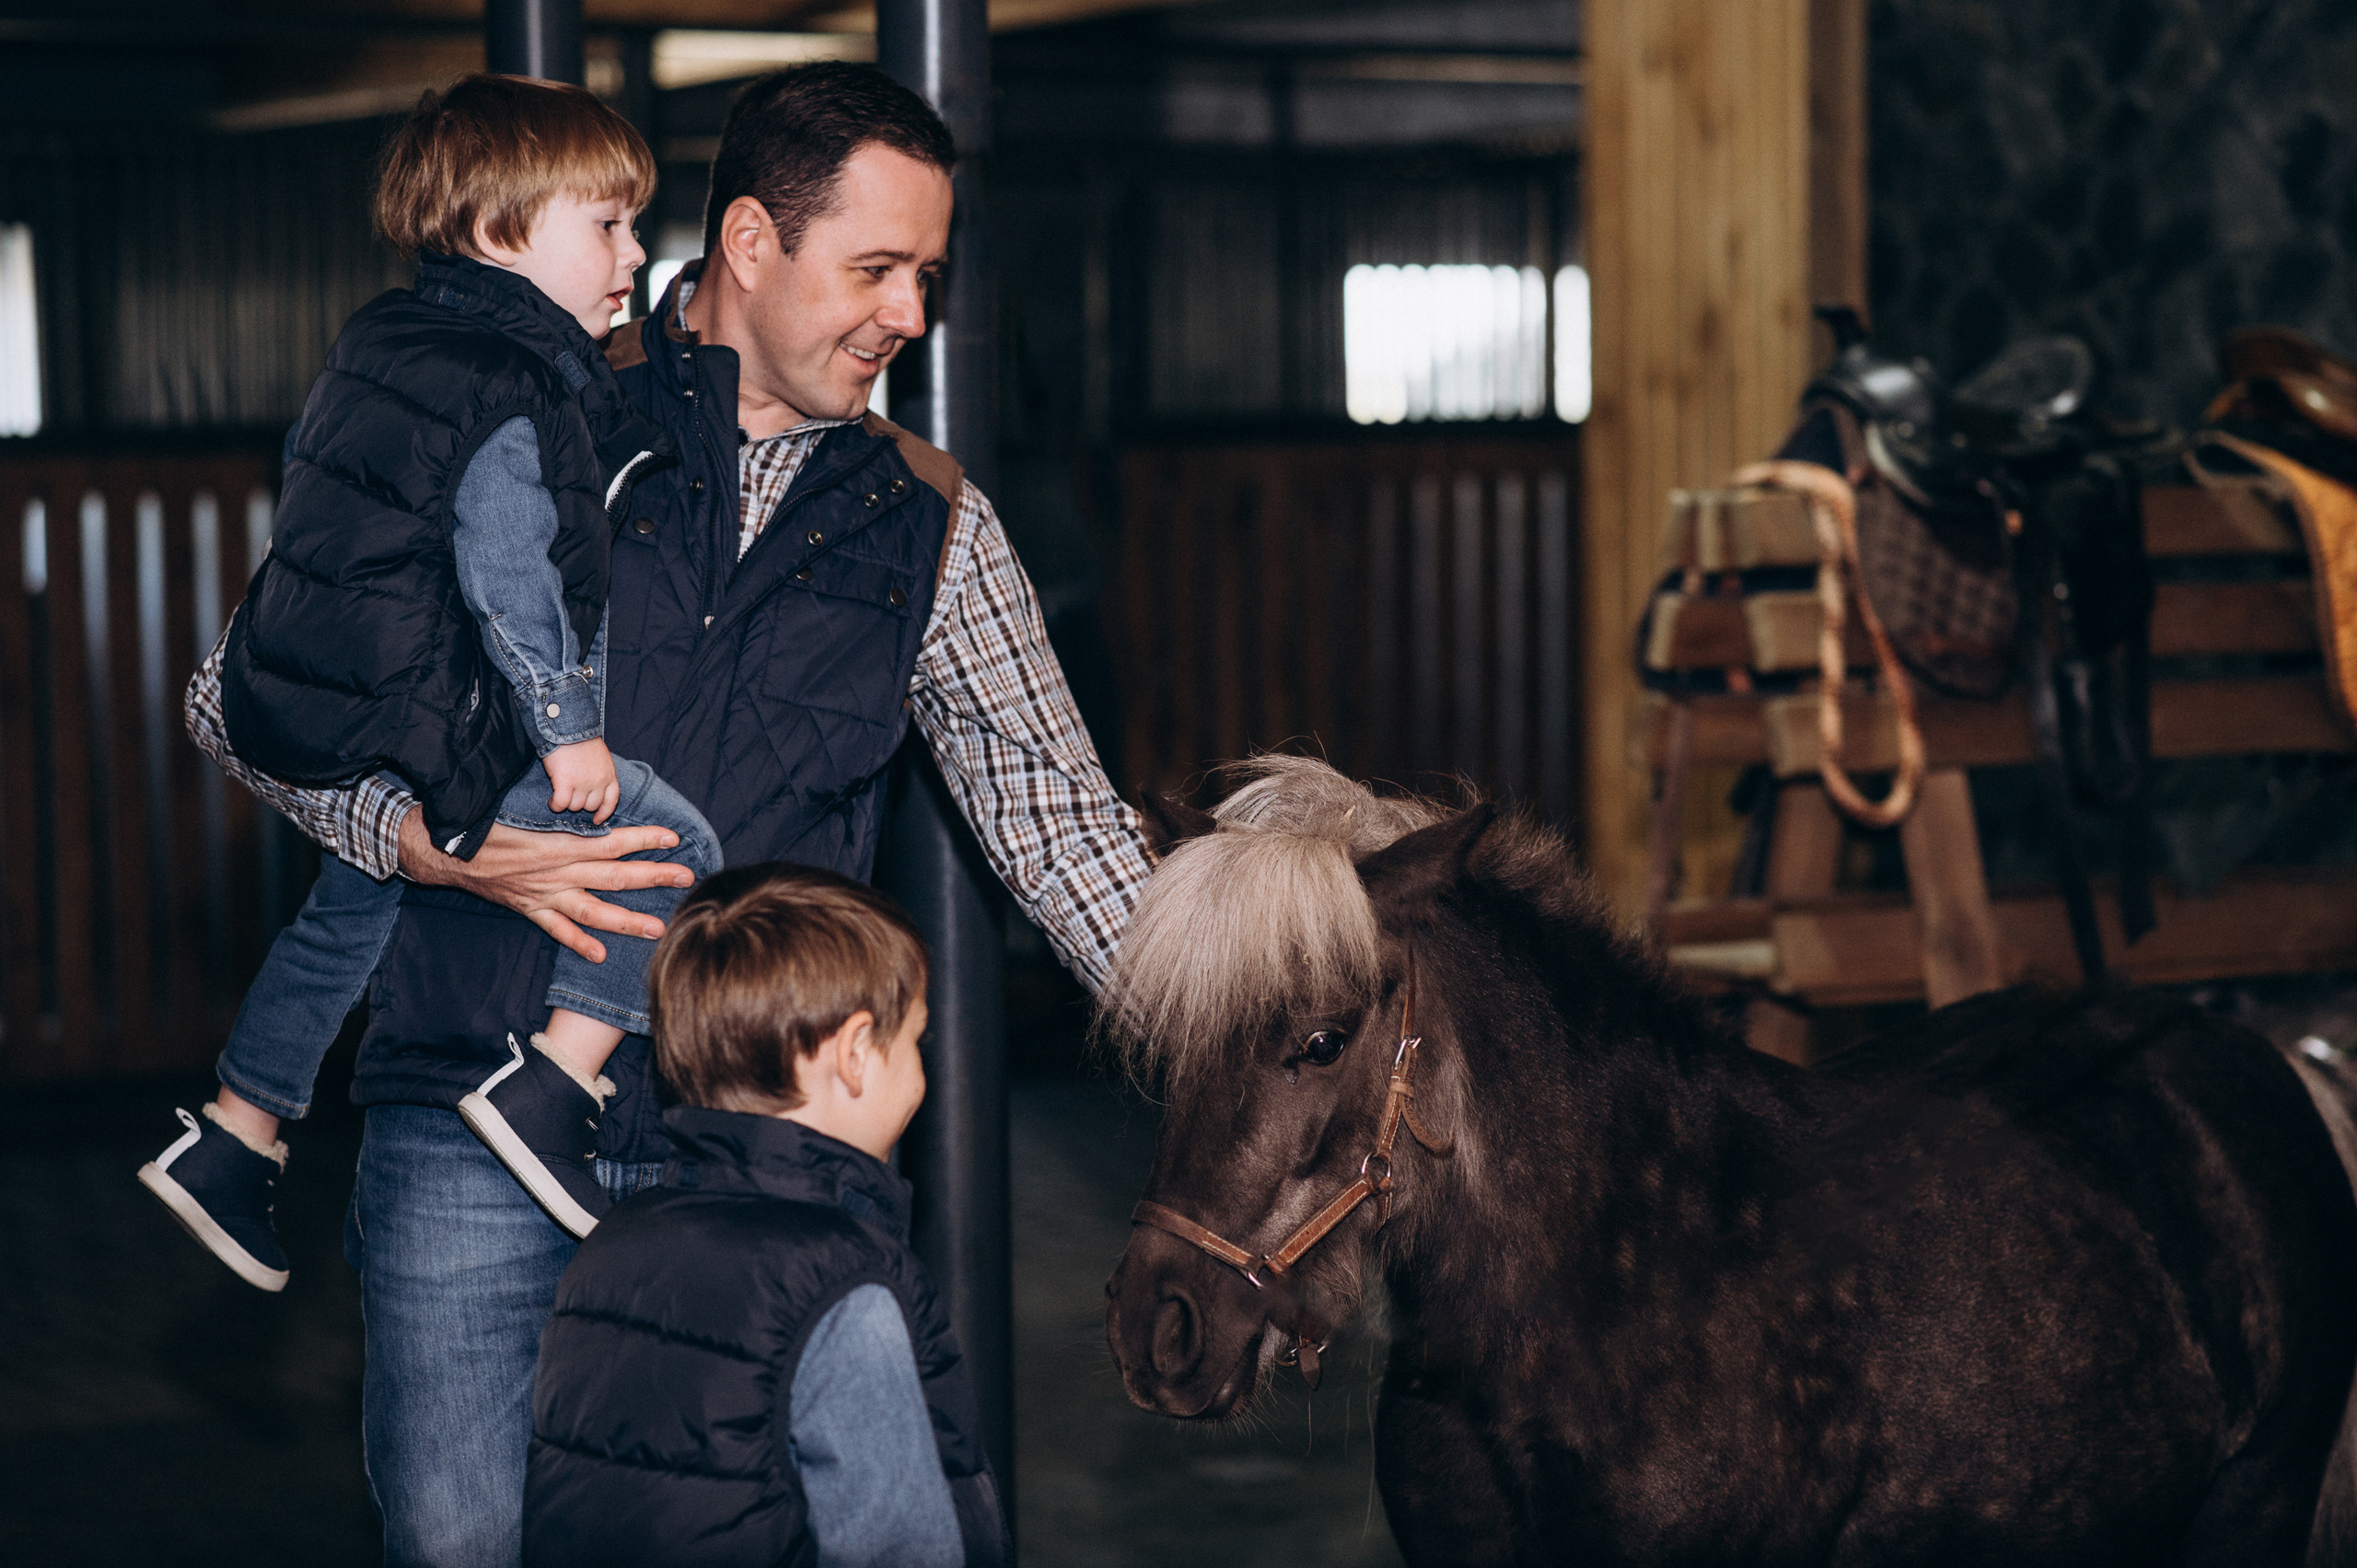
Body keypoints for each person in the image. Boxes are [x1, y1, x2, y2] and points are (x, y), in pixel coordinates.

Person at [184, 61, 1153, 1567]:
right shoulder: (523, 396)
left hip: (757, 1151)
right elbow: (240, 695)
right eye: (879, 270)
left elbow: (1064, 833)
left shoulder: (933, 521)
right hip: (466, 1110)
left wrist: (1280, 1021)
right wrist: (427, 842)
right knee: (462, 1536)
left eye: (931, 279)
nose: (914, 316)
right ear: (753, 245)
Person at [142, 74, 723, 1294]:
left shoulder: (382, 339)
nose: (631, 254)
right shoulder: (519, 380)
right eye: (605, 224)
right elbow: (509, 566)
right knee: (674, 839)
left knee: (348, 908)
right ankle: (559, 1084)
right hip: (429, 715)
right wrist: (568, 731)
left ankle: (236, 1131)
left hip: (327, 700)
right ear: (505, 228)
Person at [523, 863, 1004, 1568]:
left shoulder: (607, 1248)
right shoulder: (846, 1292)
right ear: (857, 1054)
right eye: (916, 1043)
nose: (921, 1073)